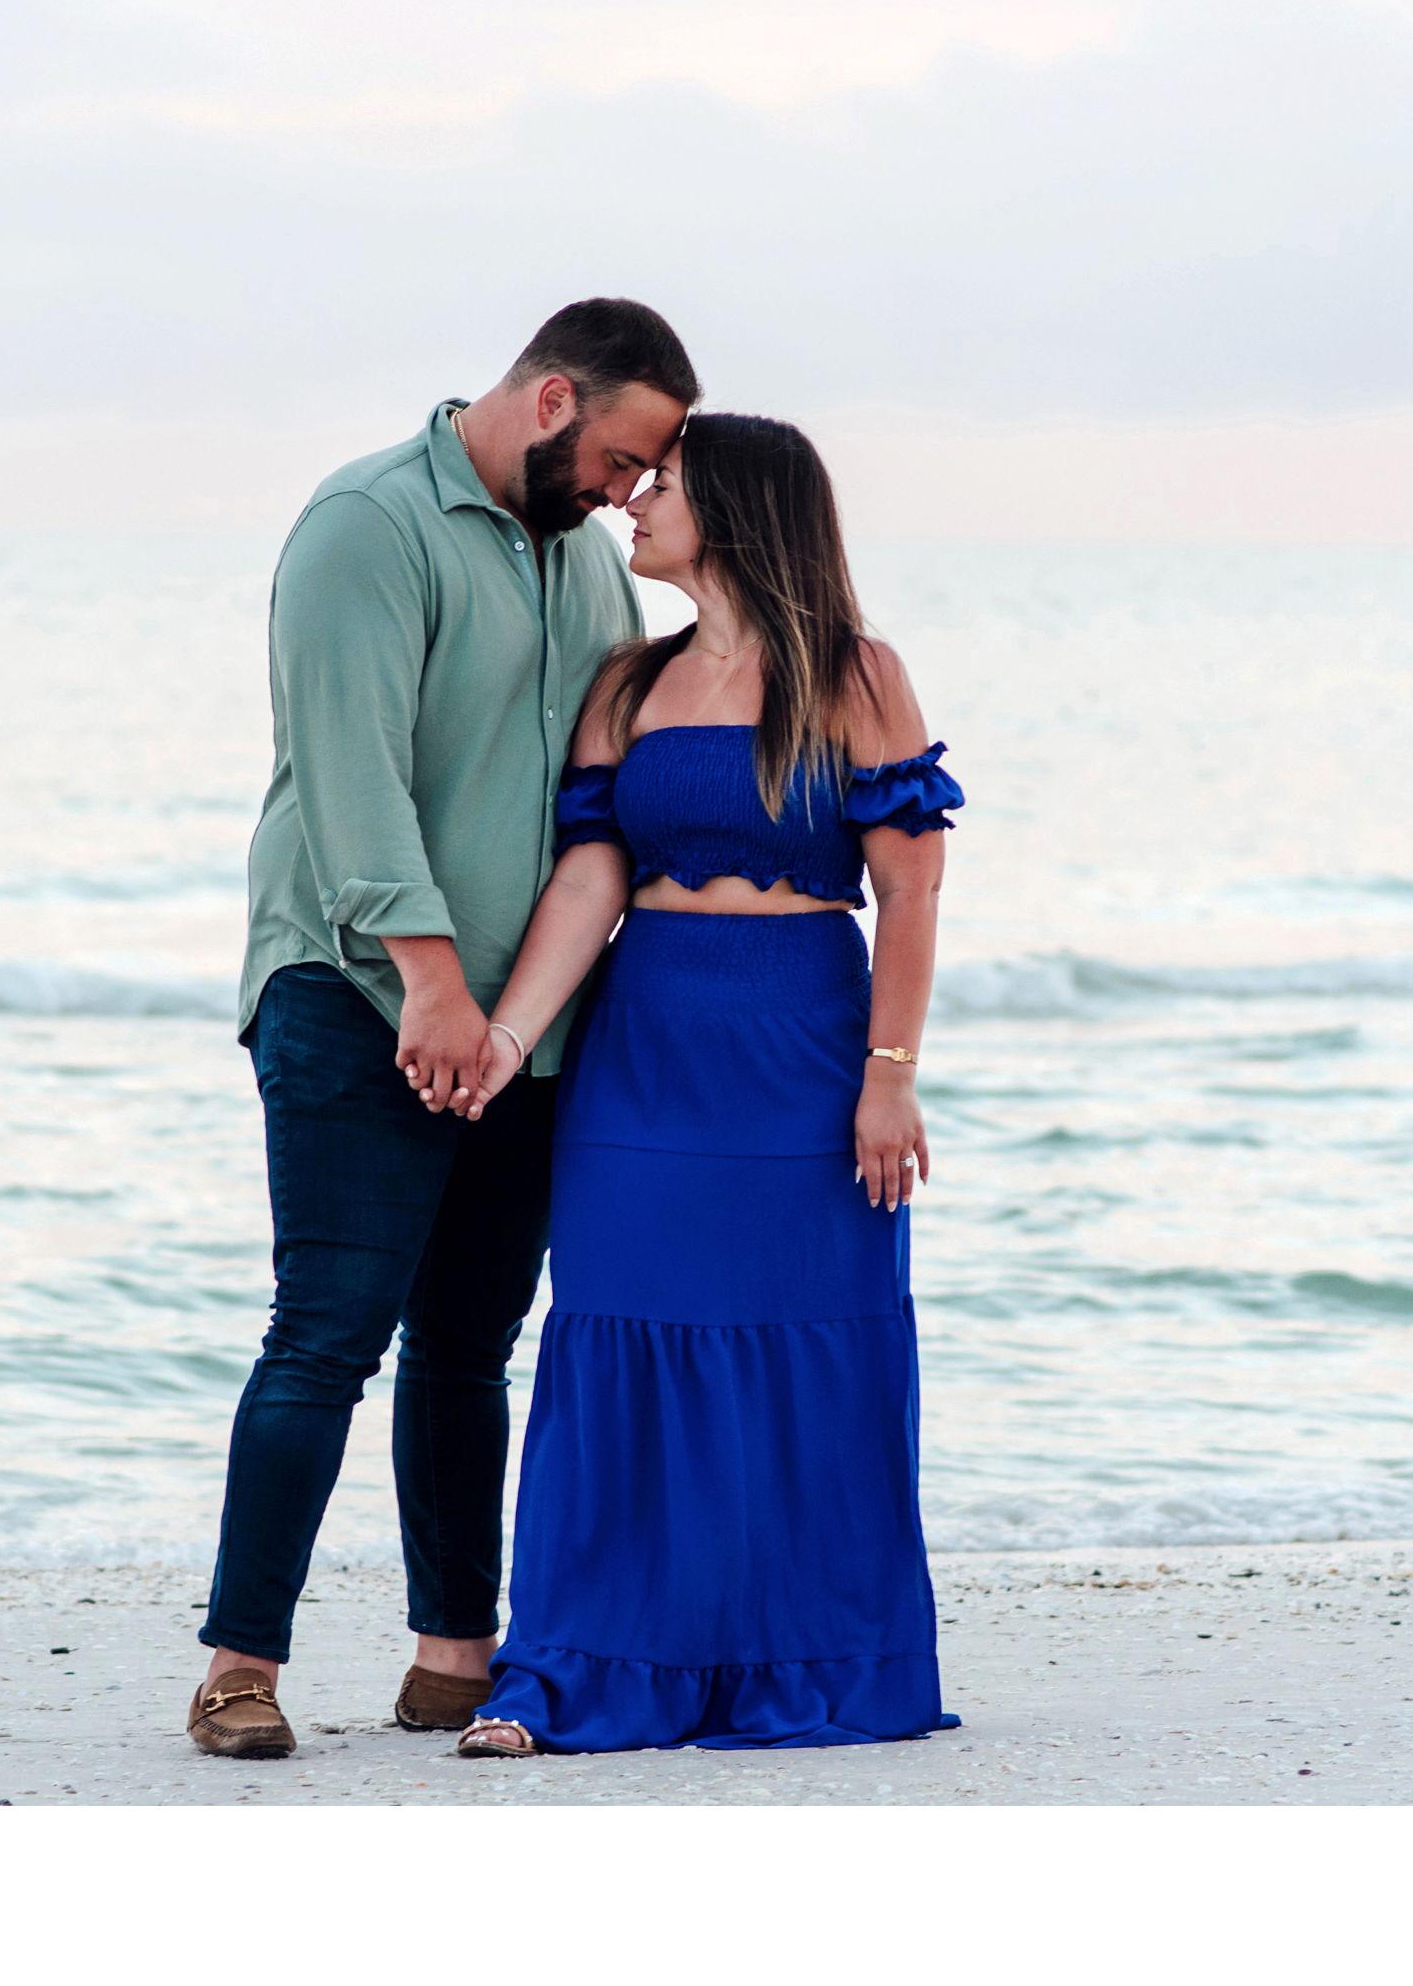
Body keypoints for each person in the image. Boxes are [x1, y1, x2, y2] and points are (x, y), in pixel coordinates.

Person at [189, 299, 698, 1759]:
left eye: (644, 476)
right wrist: (429, 982)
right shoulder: (367, 526)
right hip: (356, 993)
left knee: (472, 1345)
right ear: (552, 401)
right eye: (618, 459)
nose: (625, 493)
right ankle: (239, 1667)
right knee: (325, 1334)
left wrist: (517, 1014)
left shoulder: (583, 564)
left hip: (521, 1025)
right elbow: (349, 775)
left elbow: (593, 797)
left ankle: (453, 1658)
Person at [449, 413, 964, 1754]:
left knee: (810, 1349)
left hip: (804, 1051)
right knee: (616, 1337)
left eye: (661, 484)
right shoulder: (629, 681)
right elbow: (592, 877)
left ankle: (803, 1660)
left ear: (735, 509)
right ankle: (576, 1668)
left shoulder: (856, 674)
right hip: (644, 1055)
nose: (633, 502)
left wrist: (890, 1079)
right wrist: (506, 1036)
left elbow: (911, 890)